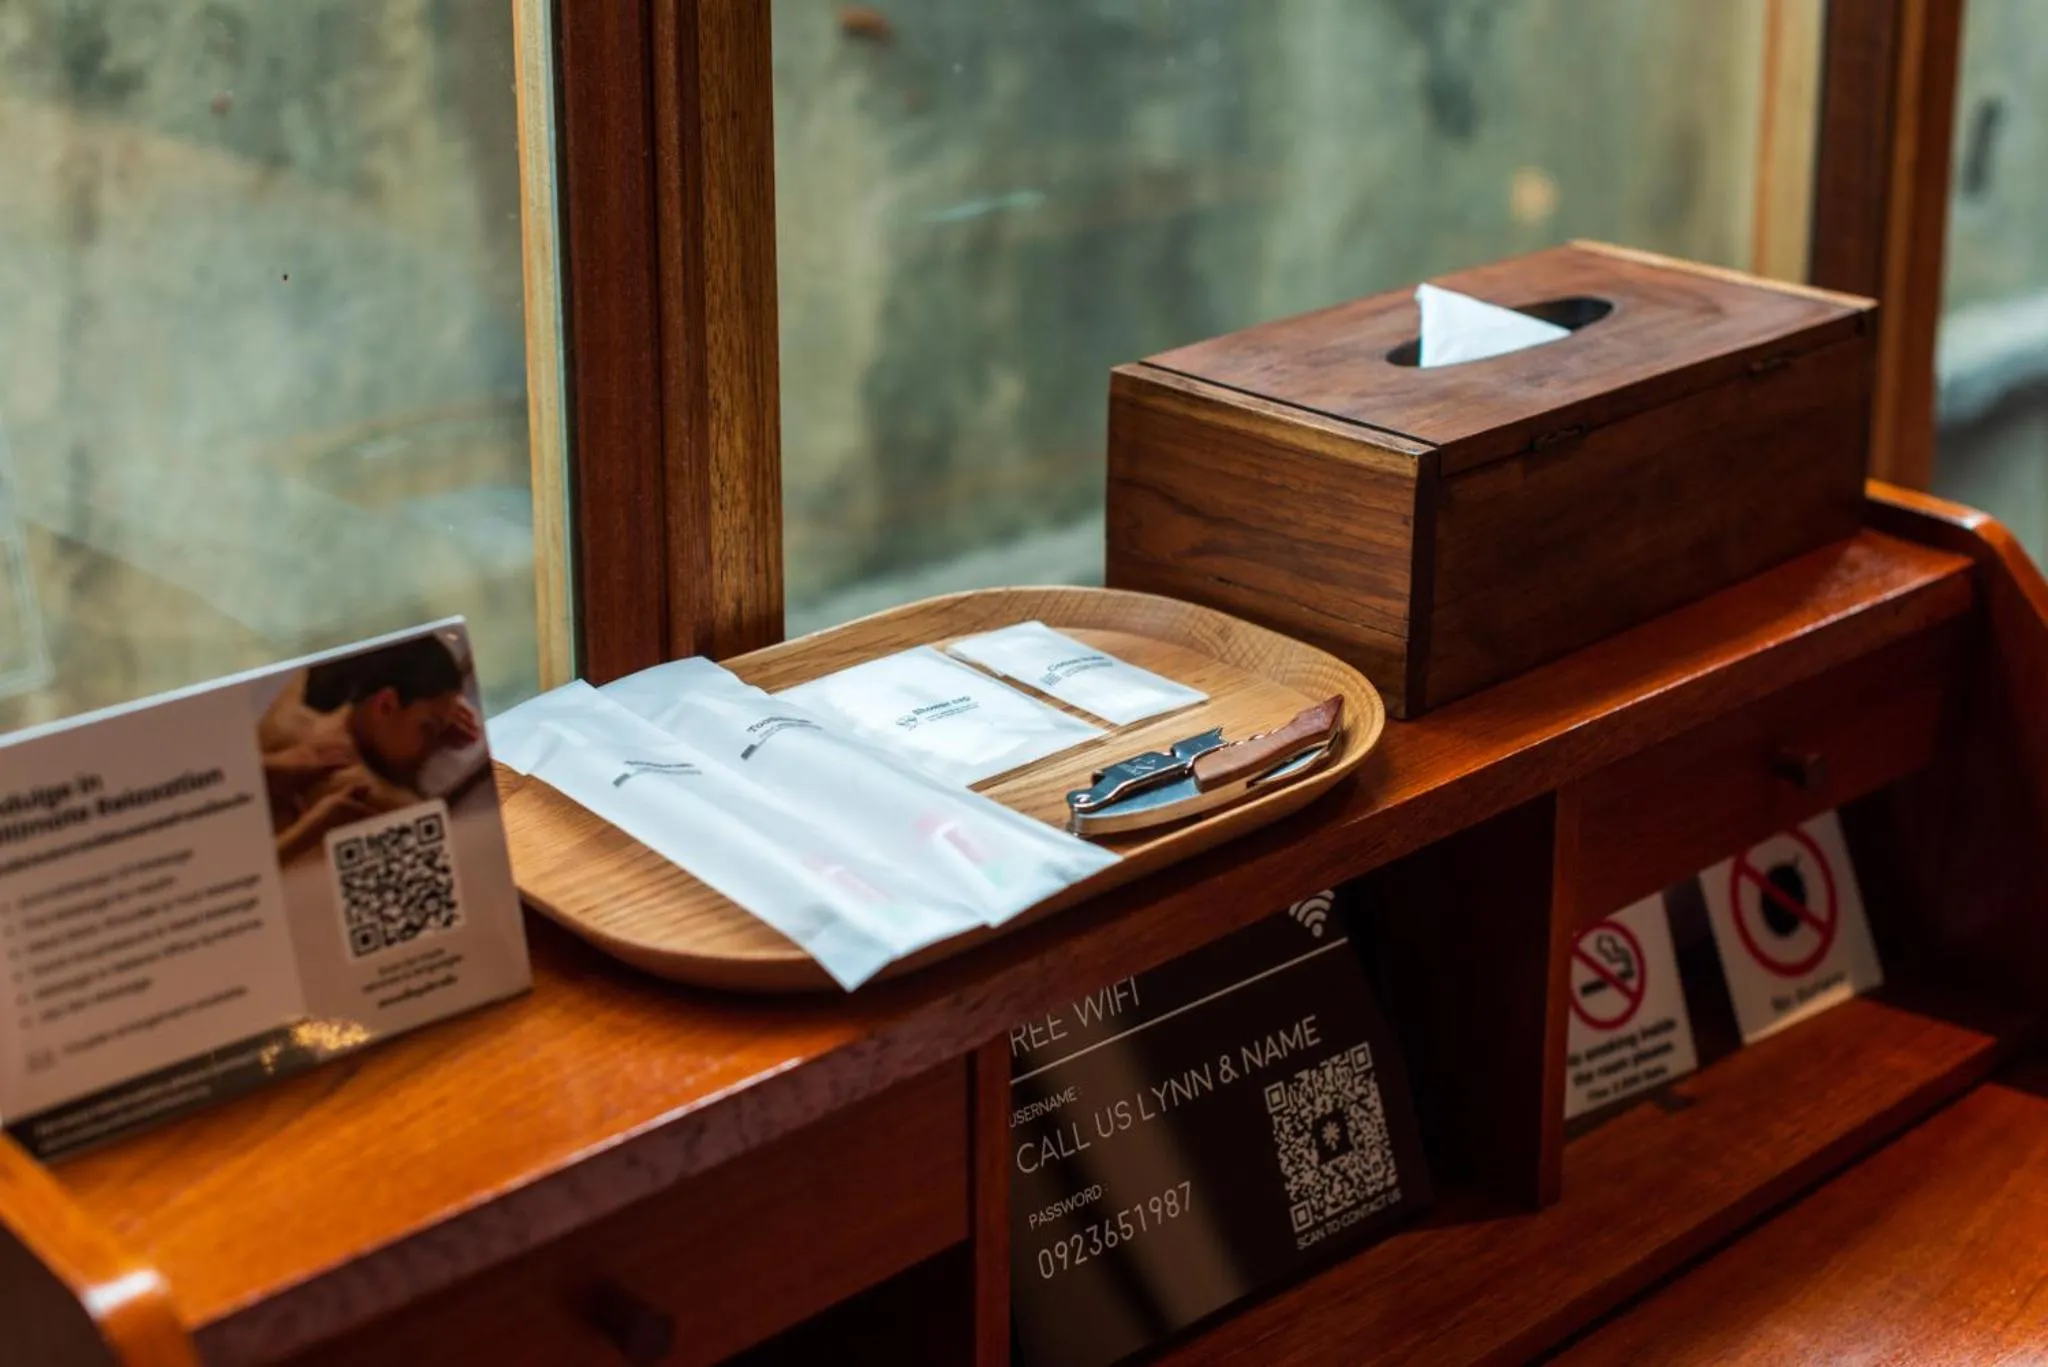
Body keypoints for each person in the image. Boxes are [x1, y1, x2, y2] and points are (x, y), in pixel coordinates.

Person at [258, 634, 482, 862]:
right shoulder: (354, 784)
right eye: (428, 729)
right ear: (385, 705)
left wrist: (436, 716)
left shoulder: (292, 705)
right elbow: (445, 836)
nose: (430, 747)